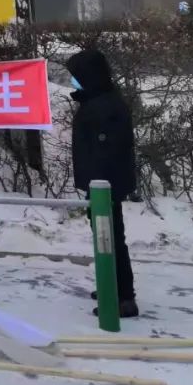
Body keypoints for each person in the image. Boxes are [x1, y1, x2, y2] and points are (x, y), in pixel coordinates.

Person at [67, 49, 139, 318]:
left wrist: (99, 188)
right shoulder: (97, 101)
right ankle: (111, 284)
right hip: (100, 184)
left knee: (112, 239)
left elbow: (107, 151)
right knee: (105, 237)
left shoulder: (104, 107)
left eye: (77, 76)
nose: (73, 81)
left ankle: (124, 297)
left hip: (105, 185)